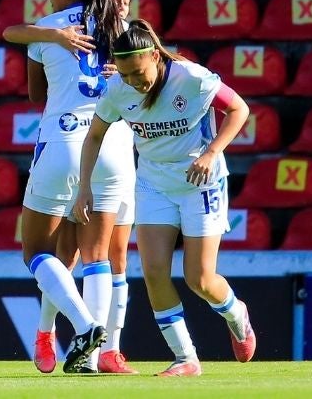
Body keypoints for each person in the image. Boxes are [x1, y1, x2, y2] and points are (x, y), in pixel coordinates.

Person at [72, 20, 257, 377]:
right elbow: (94, 136)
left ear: (155, 56)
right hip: (153, 182)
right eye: (125, 75)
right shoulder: (118, 89)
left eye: (138, 73)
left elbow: (239, 109)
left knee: (199, 278)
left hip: (200, 181)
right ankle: (185, 358)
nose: (133, 83)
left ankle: (237, 313)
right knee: (154, 271)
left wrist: (212, 152)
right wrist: (84, 187)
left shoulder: (192, 78)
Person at [4, 0, 139, 374]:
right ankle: (90, 361)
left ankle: (84, 327)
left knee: (38, 253)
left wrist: (52, 38)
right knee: (96, 256)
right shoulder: (122, 28)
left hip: (63, 144)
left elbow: (35, 94)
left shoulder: (46, 27)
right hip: (112, 146)